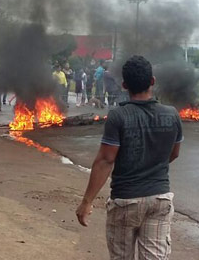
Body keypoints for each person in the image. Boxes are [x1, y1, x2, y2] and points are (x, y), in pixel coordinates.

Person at [76, 56, 183, 260]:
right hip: (159, 199)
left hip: (126, 201)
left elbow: (106, 160)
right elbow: (174, 153)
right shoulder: (172, 114)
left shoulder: (118, 116)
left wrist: (87, 201)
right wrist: (153, 163)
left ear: (124, 85)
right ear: (152, 81)